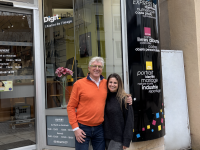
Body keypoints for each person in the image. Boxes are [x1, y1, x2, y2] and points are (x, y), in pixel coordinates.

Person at [67, 56, 132, 150]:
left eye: (100, 66)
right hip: (82, 128)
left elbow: (117, 92)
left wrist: (127, 98)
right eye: (94, 66)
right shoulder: (79, 84)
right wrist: (75, 128)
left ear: (102, 69)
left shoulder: (106, 83)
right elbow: (71, 107)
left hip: (100, 129)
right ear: (89, 68)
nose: (97, 69)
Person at [104, 73, 134, 150]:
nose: (112, 85)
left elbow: (129, 121)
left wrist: (126, 140)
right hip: (105, 136)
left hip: (118, 138)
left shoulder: (124, 99)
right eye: (110, 82)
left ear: (119, 84)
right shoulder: (104, 97)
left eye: (115, 83)